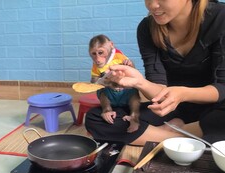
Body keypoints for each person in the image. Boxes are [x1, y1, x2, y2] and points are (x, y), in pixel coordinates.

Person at [85, 0, 225, 145]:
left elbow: (222, 87)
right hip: (173, 107)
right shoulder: (147, 27)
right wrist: (140, 82)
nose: (152, 5)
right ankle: (182, 136)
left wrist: (183, 94)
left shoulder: (220, 17)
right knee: (96, 118)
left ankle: (178, 131)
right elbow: (159, 92)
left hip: (216, 107)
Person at [88, 34, 140, 133]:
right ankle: (107, 110)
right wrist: (103, 81)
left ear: (111, 45)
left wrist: (130, 64)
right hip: (110, 94)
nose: (97, 59)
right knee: (101, 90)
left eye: (101, 52)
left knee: (134, 91)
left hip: (125, 93)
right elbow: (93, 80)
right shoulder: (96, 65)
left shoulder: (119, 57)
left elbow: (133, 73)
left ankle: (134, 117)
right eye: (94, 54)